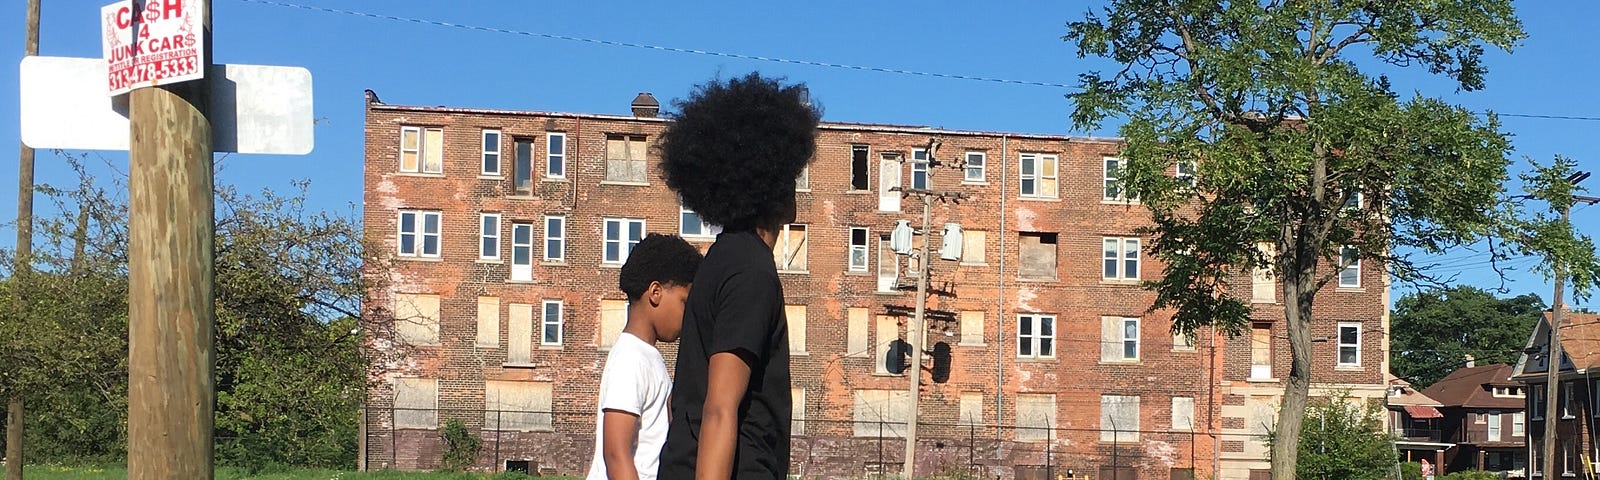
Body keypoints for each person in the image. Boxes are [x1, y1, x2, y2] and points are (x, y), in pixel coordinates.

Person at [655, 72, 821, 480]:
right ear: (771, 184)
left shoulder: (721, 259)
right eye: (790, 175)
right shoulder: (751, 270)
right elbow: (718, 408)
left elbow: (685, 402)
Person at [586, 233, 704, 480]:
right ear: (656, 293)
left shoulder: (648, 357)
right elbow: (616, 453)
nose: (688, 315)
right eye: (685, 302)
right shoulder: (630, 358)